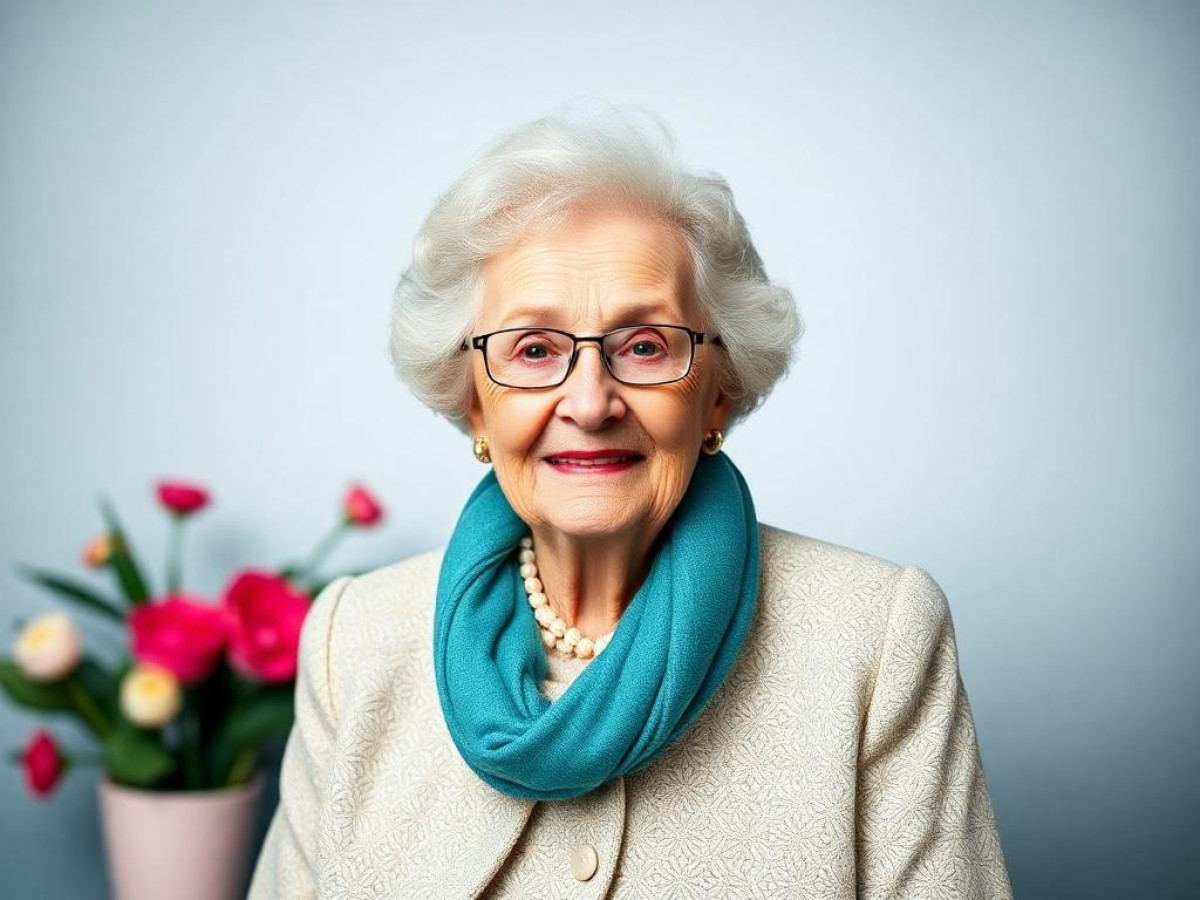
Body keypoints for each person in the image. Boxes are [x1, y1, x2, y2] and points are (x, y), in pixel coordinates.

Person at [248, 102, 1012, 898]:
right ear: (474, 400)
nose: (590, 400)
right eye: (534, 349)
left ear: (716, 395)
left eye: (644, 346)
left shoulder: (874, 641)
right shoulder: (357, 644)